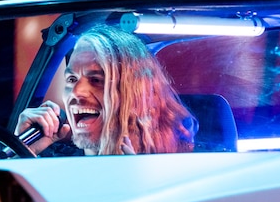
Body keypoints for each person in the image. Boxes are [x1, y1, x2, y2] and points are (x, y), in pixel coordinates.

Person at [15, 24, 196, 156]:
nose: (76, 93)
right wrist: (21, 153)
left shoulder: (181, 169)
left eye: (96, 80)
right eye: (71, 79)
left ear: (138, 93)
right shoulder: (49, 165)